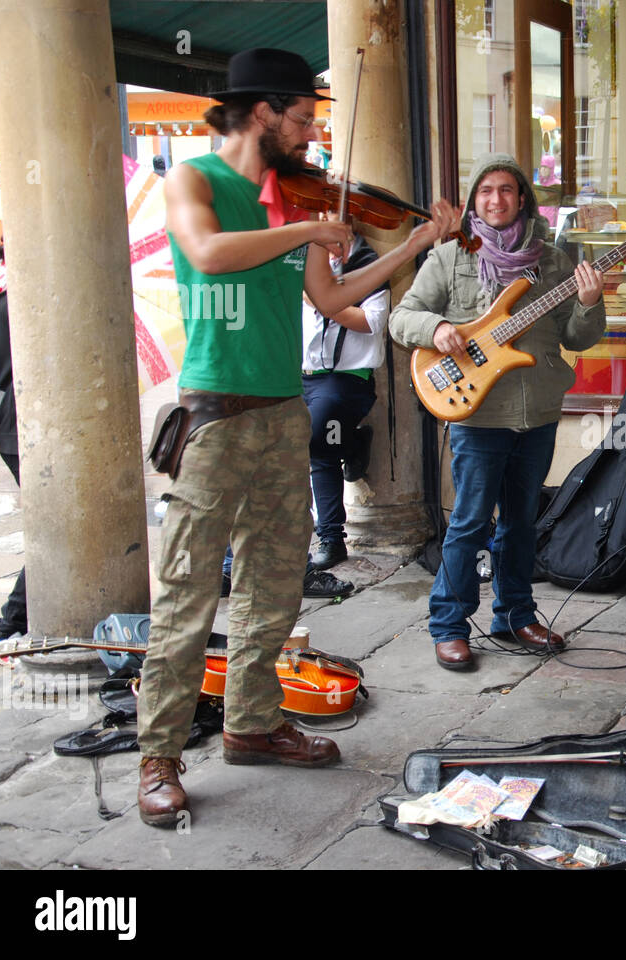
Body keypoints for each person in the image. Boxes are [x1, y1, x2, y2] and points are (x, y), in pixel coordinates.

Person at [136, 47, 457, 827]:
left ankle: (250, 725)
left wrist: (412, 247)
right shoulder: (193, 181)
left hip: (285, 410)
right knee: (186, 589)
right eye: (305, 119)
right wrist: (311, 225)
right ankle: (158, 757)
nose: (313, 135)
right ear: (262, 112)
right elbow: (209, 255)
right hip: (215, 413)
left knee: (275, 581)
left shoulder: (293, 201)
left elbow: (337, 297)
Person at [389, 153, 604, 671]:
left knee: (521, 523)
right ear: (473, 201)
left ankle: (515, 614)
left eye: (506, 190)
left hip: (537, 413)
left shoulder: (552, 261)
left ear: (523, 198)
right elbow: (402, 318)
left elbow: (578, 337)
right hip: (478, 413)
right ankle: (449, 625)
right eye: (486, 191)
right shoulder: (450, 258)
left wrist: (590, 302)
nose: (496, 200)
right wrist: (436, 329)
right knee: (468, 522)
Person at [301, 232, 389, 570]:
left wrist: (323, 300)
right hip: (304, 374)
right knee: (319, 441)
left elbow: (371, 322)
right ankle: (351, 442)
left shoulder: (369, 266)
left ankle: (332, 538)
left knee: (319, 441)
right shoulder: (302, 262)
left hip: (349, 379)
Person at [0, 236, 26, 657]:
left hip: (10, 424)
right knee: (59, 522)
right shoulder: (14, 299)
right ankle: (9, 626)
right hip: (22, 423)